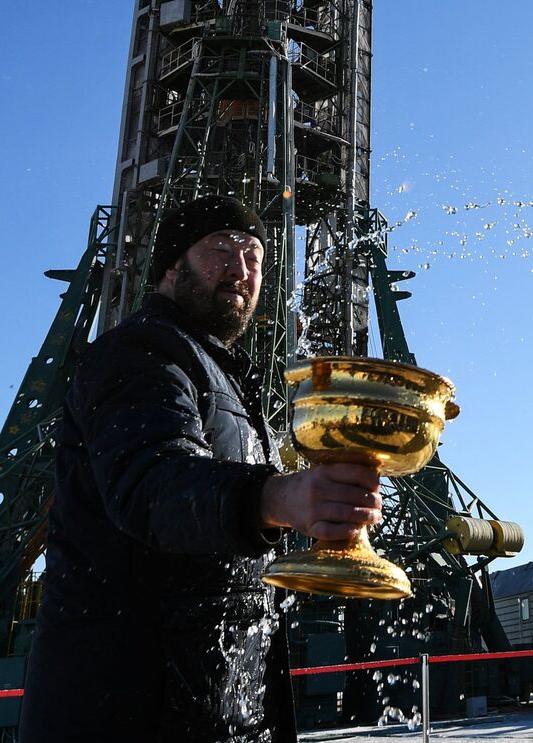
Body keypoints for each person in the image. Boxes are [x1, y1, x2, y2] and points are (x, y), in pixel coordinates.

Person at [22, 196, 385, 742]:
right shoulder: (141, 354)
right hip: (130, 705)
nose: (241, 270)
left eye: (255, 257)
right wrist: (275, 498)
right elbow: (153, 483)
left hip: (210, 703)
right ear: (172, 267)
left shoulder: (218, 371)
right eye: (221, 250)